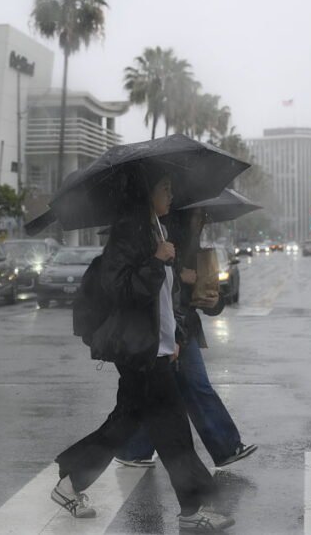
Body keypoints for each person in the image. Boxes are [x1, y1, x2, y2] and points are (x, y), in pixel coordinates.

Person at [51, 168, 235, 532]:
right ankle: (193, 508)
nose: (170, 194)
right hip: (138, 352)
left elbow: (160, 302)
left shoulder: (156, 230)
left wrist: (174, 340)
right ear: (147, 192)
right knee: (173, 429)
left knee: (125, 423)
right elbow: (120, 290)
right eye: (164, 187)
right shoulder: (129, 233)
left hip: (154, 348)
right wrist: (156, 261)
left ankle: (69, 482)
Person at [116, 207, 257, 469]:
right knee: (194, 386)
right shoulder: (163, 238)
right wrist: (179, 275)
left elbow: (203, 298)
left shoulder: (195, 247)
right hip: (168, 328)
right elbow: (155, 286)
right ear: (189, 213)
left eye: (206, 215)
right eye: (201, 214)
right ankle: (225, 447)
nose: (205, 219)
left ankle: (134, 448)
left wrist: (213, 301)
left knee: (164, 393)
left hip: (182, 326)